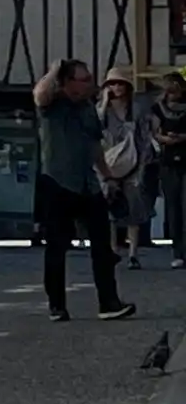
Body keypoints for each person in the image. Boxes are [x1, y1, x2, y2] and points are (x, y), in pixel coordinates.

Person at [33, 60, 135, 323]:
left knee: (103, 246)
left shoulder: (88, 108)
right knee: (56, 247)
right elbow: (39, 94)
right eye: (83, 79)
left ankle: (109, 302)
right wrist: (56, 70)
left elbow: (94, 146)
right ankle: (57, 305)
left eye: (90, 78)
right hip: (57, 182)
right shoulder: (53, 104)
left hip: (88, 184)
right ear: (68, 82)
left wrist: (108, 176)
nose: (90, 83)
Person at [99, 67, 154, 269]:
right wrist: (104, 103)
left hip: (132, 163)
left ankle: (133, 253)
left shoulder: (136, 109)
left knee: (133, 209)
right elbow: (95, 131)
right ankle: (113, 250)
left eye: (120, 83)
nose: (117, 87)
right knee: (110, 209)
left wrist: (142, 167)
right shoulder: (103, 109)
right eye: (112, 84)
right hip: (108, 164)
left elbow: (144, 139)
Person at [151, 71, 186, 268]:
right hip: (168, 159)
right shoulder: (158, 108)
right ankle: (178, 251)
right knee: (173, 207)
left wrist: (182, 137)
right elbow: (155, 132)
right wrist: (166, 139)